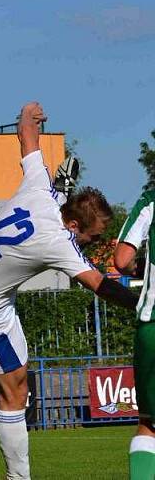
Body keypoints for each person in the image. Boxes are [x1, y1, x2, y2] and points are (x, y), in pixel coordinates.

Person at [0, 101, 139, 480]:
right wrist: (143, 302)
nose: (90, 244)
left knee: (15, 385)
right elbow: (99, 285)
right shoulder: (59, 239)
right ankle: (18, 478)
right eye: (91, 237)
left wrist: (29, 112)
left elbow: (25, 136)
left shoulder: (40, 188)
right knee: (14, 394)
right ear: (72, 223)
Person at [114, 191, 155, 480]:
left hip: (152, 323)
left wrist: (142, 266)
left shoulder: (150, 200)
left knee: (149, 425)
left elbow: (121, 260)